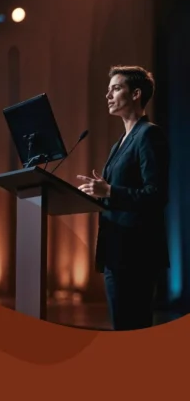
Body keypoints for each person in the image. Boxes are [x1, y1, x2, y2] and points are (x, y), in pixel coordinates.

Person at [77, 65, 169, 331]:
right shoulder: (119, 143)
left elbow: (156, 194)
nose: (108, 95)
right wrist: (98, 194)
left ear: (136, 94)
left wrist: (109, 191)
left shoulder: (149, 135)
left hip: (136, 253)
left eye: (116, 88)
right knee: (122, 329)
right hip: (115, 251)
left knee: (133, 329)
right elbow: (117, 194)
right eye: (109, 90)